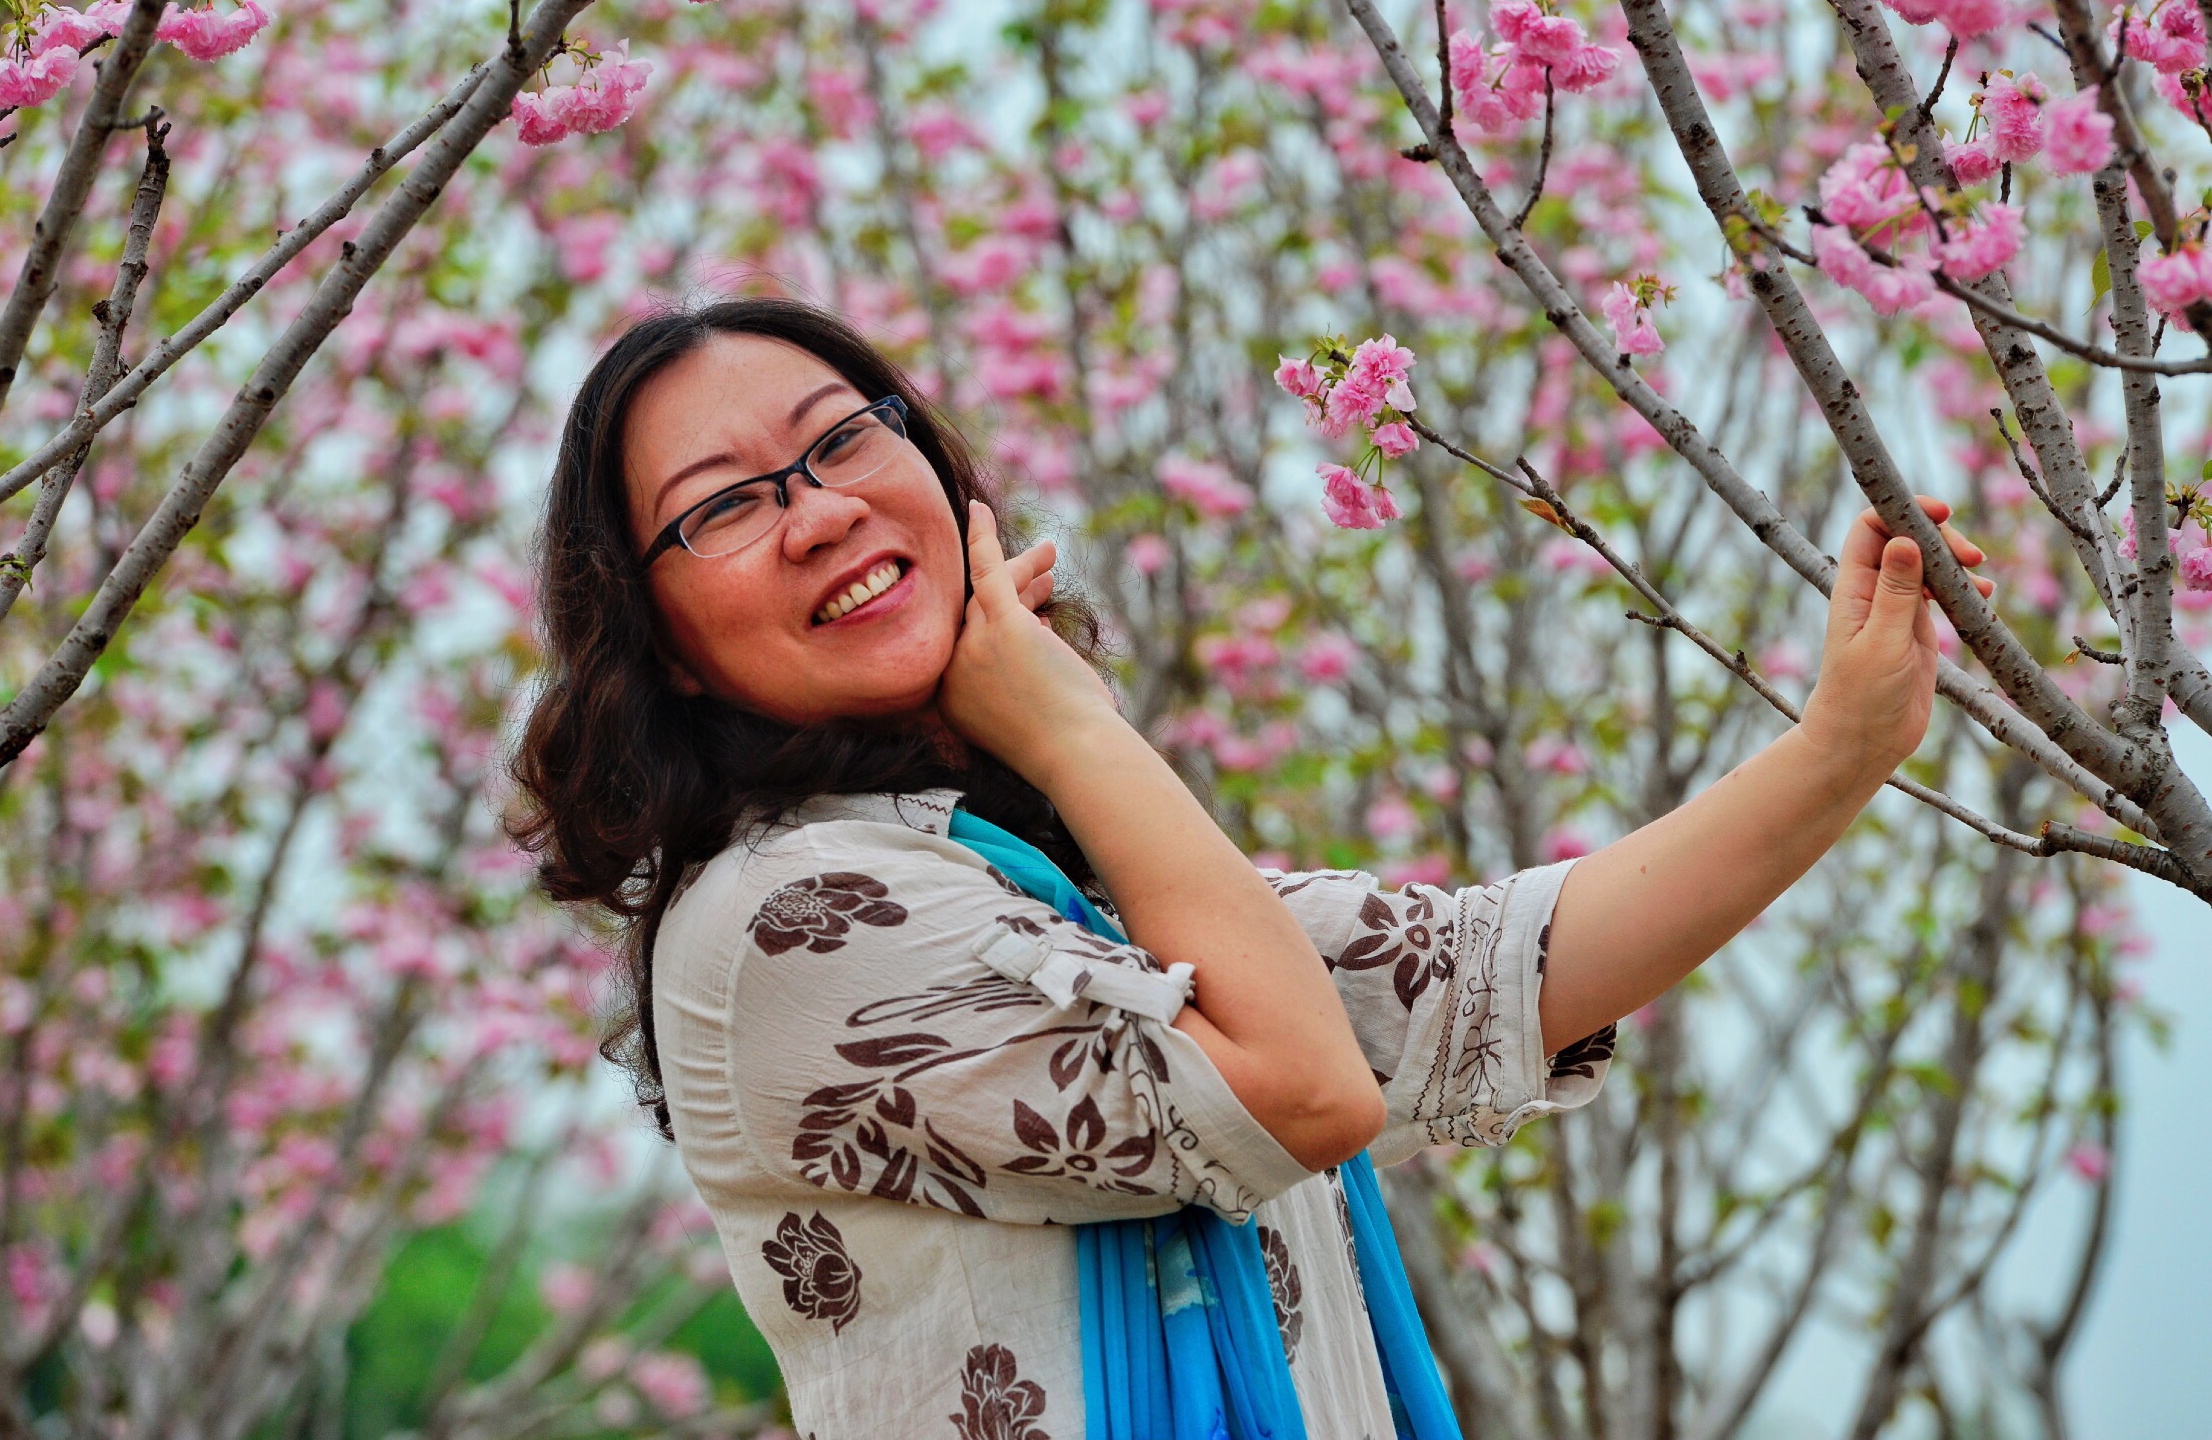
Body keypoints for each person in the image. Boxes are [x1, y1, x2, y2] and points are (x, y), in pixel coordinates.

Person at [509, 297, 1992, 1440]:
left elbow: (1490, 972)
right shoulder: (787, 920)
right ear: (660, 645)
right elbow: (1303, 1088)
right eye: (725, 505)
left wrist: (1844, 744)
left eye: (843, 438)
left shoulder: (1037, 889)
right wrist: (1071, 720)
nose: (821, 506)